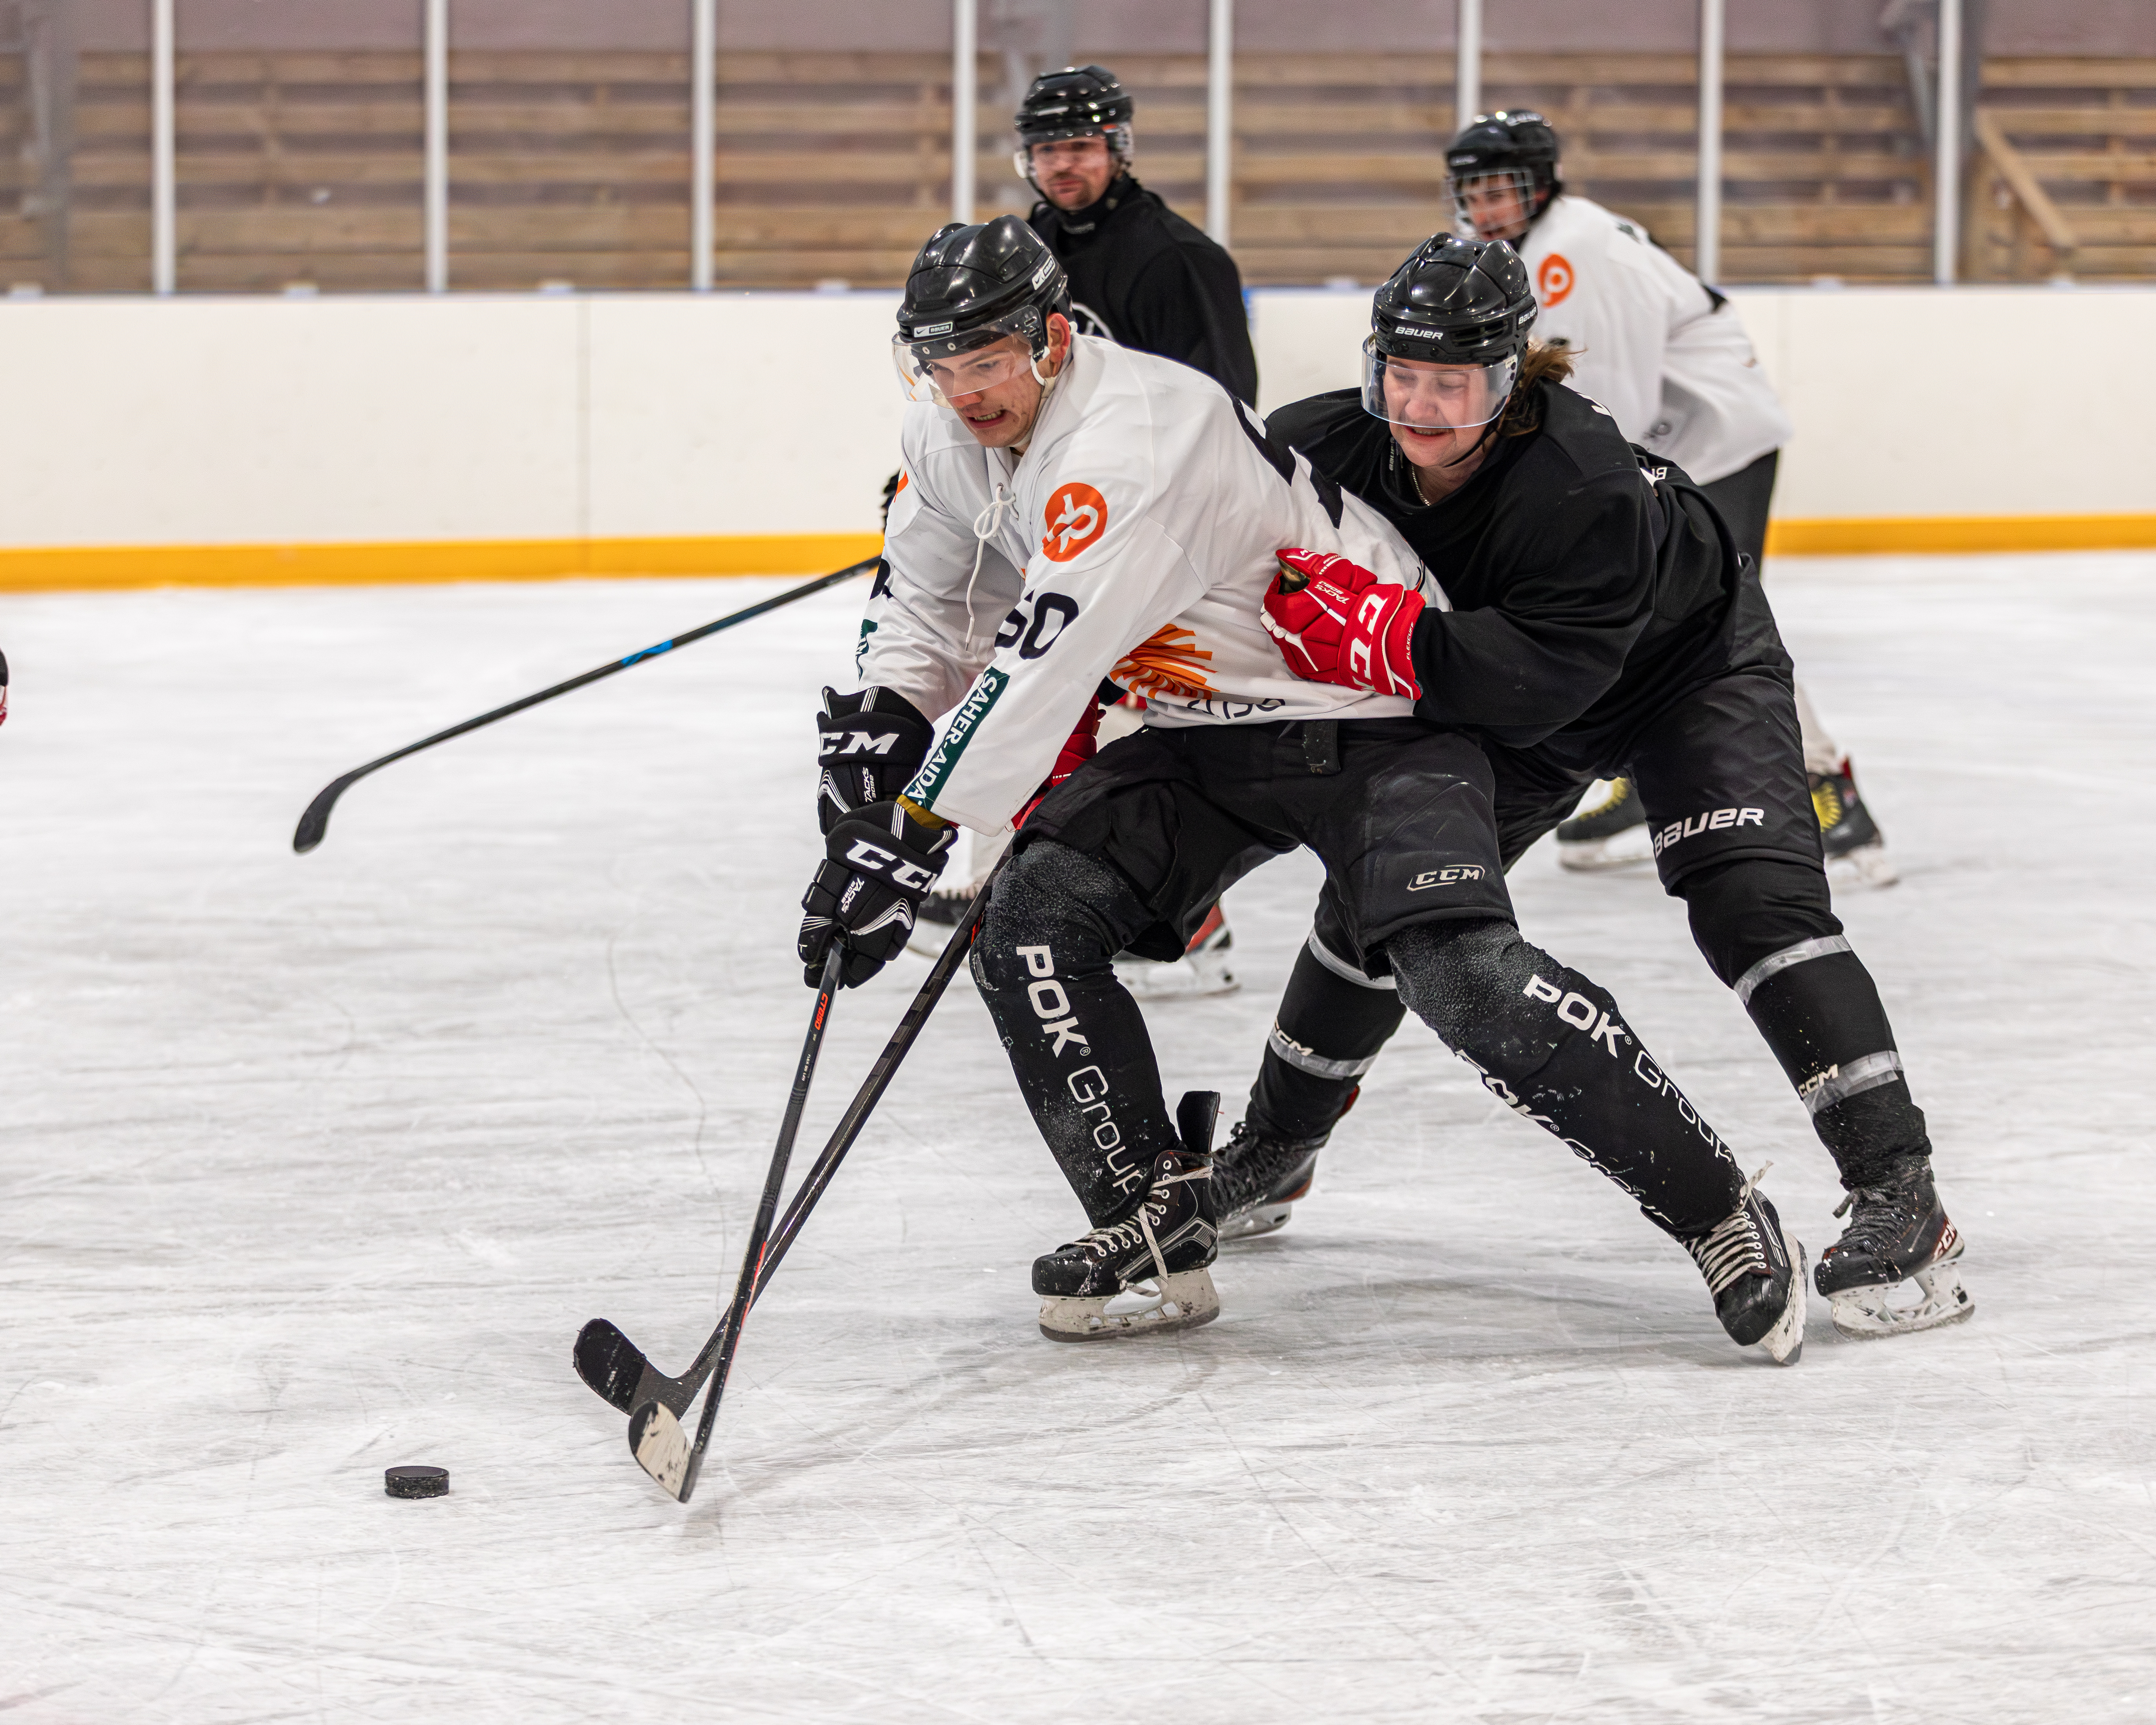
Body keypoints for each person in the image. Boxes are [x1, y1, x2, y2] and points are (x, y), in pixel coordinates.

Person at [799, 214, 1805, 1363]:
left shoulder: (1131, 435)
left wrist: (915, 823)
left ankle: (1719, 1204)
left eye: (985, 360)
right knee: (1034, 917)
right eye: (938, 361)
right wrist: (884, 736)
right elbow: (931, 603)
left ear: (1051, 339)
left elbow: (1043, 654)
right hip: (1202, 729)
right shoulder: (944, 434)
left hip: (1373, 720)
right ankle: (1150, 1216)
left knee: (1460, 973)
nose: (962, 388)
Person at [1218, 233, 1970, 1344]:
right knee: (1390, 902)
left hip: (1683, 667)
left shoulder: (1583, 481)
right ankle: (1275, 1150)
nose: (1419, 406)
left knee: (1751, 900)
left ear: (1513, 378)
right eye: (1401, 375)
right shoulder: (1318, 445)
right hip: (1521, 678)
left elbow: (1527, 688)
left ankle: (1904, 1190)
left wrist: (1387, 637)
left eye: (1455, 382)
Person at [1442, 110, 1894, 886]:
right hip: (1684, 442)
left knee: (1716, 618)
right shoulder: (1538, 246)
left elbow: (1603, 394)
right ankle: (1653, 780)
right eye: (1473, 194)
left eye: (1502, 192)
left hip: (1716, 446)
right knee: (1637, 610)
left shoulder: (1573, 253)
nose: (1486, 210)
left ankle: (1827, 793)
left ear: (1542, 185)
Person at [910, 61, 1258, 997]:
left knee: (1098, 721)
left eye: (1080, 145)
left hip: (1163, 535)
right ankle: (1045, 889)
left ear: (1118, 148)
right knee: (1041, 695)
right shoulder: (1024, 250)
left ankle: (1181, 926)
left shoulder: (1177, 259)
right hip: (1073, 520)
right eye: (1046, 148)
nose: (1061, 165)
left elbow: (1221, 413)